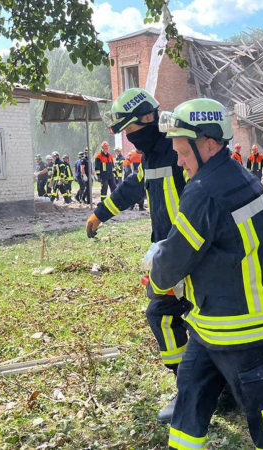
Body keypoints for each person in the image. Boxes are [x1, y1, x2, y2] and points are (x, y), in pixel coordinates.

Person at [151, 98, 263, 450]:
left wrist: (155, 281)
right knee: (191, 392)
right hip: (212, 323)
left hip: (240, 330)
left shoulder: (201, 192)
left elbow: (173, 260)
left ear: (209, 145)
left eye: (184, 153)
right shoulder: (243, 175)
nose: (180, 162)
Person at [85, 88, 188, 422]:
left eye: (130, 131)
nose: (129, 139)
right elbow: (132, 187)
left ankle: (193, 391)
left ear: (147, 119)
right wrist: (100, 213)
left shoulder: (179, 150)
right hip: (171, 253)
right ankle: (206, 387)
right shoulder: (152, 156)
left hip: (190, 252)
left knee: (166, 314)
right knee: (171, 315)